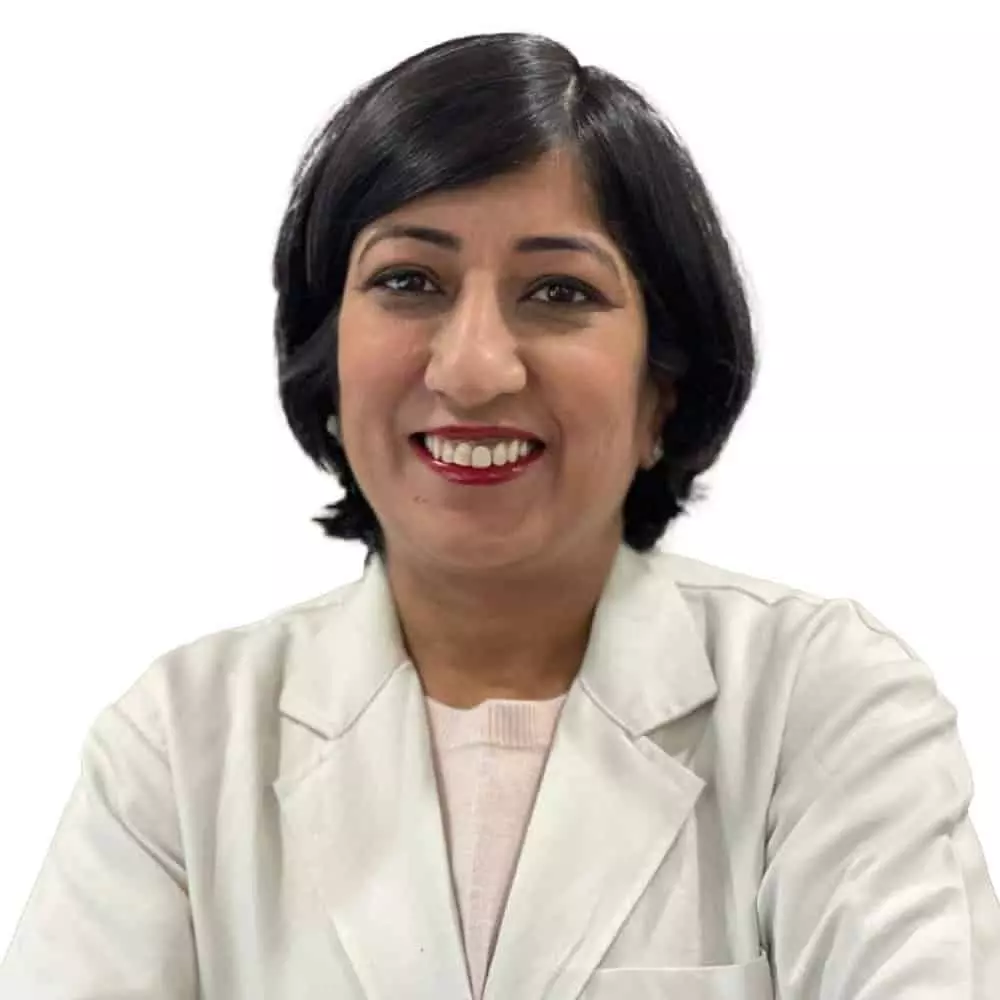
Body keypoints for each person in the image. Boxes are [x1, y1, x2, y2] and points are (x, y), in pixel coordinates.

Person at [2, 30, 997, 1000]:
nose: (473, 367)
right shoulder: (181, 744)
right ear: (327, 362)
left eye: (558, 291)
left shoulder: (821, 703)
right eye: (408, 282)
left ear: (662, 389)